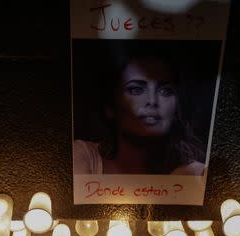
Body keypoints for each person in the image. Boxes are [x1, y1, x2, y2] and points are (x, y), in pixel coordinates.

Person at [73, 44, 206, 176]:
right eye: (136, 90)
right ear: (110, 106)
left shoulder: (196, 174)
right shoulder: (83, 155)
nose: (152, 101)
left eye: (165, 91)